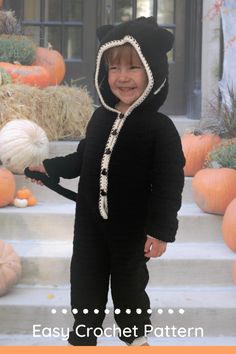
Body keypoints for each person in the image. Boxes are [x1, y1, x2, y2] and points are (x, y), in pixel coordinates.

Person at [27, 17, 185, 346]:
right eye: (114, 68)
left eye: (134, 68)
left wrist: (160, 230)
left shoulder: (160, 129)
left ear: (154, 70)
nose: (122, 77)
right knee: (85, 283)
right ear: (104, 70)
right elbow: (84, 158)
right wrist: (50, 168)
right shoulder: (100, 118)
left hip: (132, 230)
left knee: (129, 289)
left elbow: (169, 185)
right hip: (89, 227)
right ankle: (83, 339)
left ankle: (137, 341)